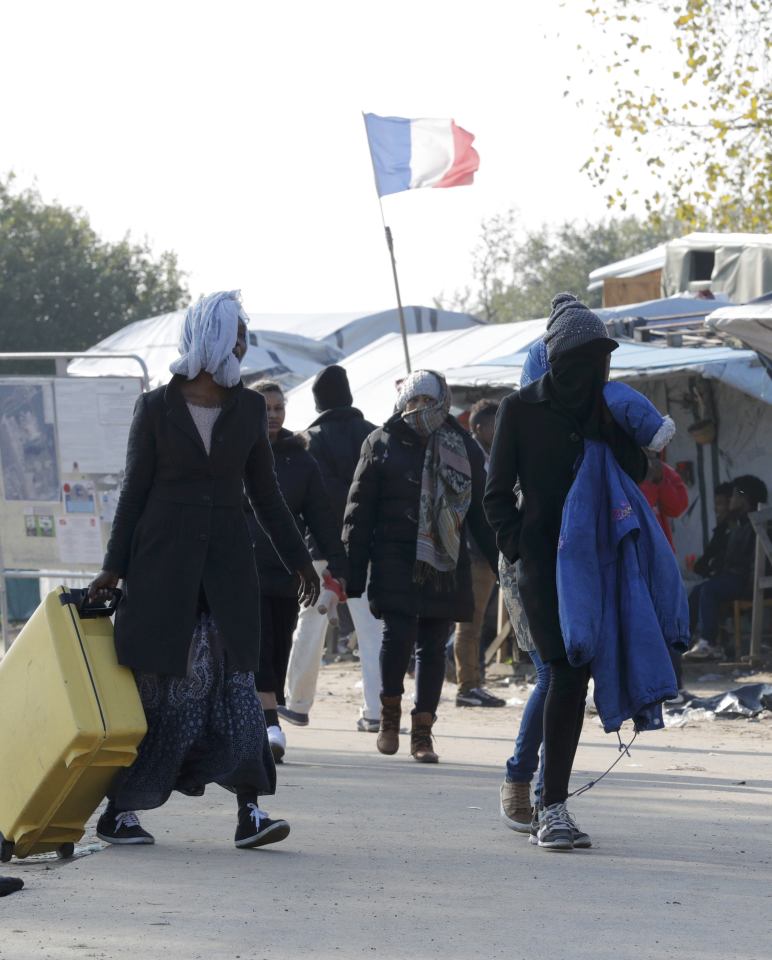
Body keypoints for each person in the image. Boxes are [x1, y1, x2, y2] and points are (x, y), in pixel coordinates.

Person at [88, 291, 319, 850]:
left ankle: (251, 812)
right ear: (211, 335)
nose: (243, 343)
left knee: (237, 694)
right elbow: (134, 493)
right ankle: (120, 811)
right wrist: (112, 569)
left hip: (227, 576)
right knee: (164, 703)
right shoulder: (155, 406)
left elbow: (265, 495)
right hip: (162, 573)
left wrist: (300, 560)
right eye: (236, 332)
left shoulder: (244, 409)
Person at [485, 293, 647, 850]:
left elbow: (639, 468)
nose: (596, 372)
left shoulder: (603, 408)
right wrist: (518, 546)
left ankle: (549, 801)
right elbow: (495, 493)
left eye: (603, 361)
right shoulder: (520, 409)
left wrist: (612, 425)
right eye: (586, 362)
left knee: (579, 676)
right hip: (540, 567)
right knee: (564, 671)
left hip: (598, 562)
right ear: (560, 362)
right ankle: (551, 807)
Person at [343, 370, 497, 763]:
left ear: (442, 404)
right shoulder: (380, 443)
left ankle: (423, 732)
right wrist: (353, 572)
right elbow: (359, 512)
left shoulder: (461, 444)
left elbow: (479, 510)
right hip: (394, 558)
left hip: (445, 560)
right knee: (397, 637)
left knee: (432, 647)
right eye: (415, 402)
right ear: (403, 403)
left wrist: (502, 559)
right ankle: (390, 716)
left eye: (429, 402)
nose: (421, 410)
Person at [281, 365, 384, 732]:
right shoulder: (375, 435)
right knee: (372, 628)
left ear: (317, 401)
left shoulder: (307, 439)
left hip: (319, 548)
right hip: (365, 547)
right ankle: (376, 712)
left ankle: (297, 704)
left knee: (309, 624)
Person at [248, 381, 347, 762]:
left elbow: (320, 517)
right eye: (265, 408)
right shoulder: (235, 454)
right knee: (258, 647)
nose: (273, 414)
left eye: (278, 407)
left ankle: (263, 720)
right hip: (241, 570)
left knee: (277, 648)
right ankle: (270, 725)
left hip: (288, 572)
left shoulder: (299, 459)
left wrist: (338, 564)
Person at [453, 399, 505, 708]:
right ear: (478, 427)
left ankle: (472, 683)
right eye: (495, 425)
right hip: (474, 551)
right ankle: (467, 686)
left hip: (483, 550)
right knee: (469, 625)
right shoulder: (471, 458)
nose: (500, 431)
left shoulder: (485, 457)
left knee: (474, 624)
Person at [685, 474, 768, 660]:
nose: (729, 499)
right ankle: (687, 640)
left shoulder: (755, 525)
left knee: (709, 589)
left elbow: (744, 565)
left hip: (748, 582)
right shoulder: (738, 524)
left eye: (733, 495)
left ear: (744, 498)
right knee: (698, 591)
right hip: (738, 579)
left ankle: (710, 643)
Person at [640, 453, 689, 552]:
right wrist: (649, 485)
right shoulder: (618, 467)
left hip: (661, 551)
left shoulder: (661, 469)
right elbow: (626, 512)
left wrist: (660, 481)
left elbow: (677, 508)